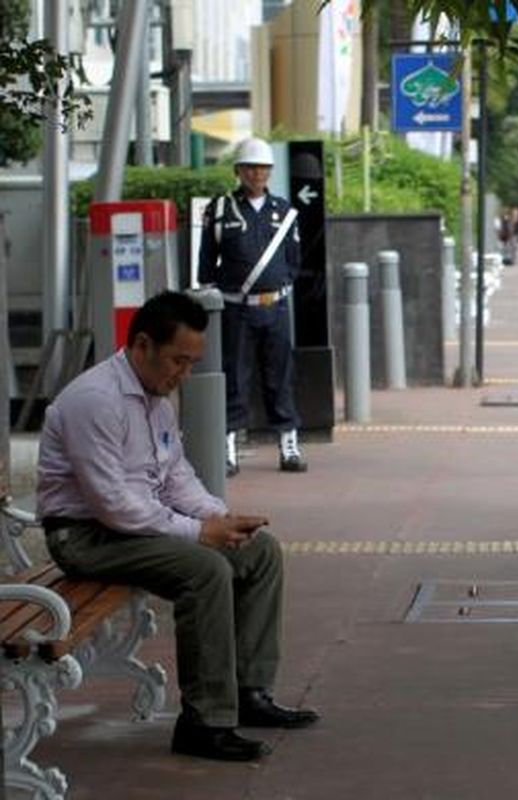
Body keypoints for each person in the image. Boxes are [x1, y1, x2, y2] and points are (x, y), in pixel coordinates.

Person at [36, 291, 319, 762]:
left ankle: (250, 691)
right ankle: (203, 722)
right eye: (177, 361)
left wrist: (217, 519)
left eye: (191, 363)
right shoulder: (95, 400)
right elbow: (112, 505)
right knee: (205, 570)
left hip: (126, 527)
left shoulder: (156, 400)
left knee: (260, 552)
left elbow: (175, 477)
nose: (183, 374)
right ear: (142, 345)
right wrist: (197, 534)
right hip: (83, 536)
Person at [198, 136, 306, 478]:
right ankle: (228, 447)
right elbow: (205, 264)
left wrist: (278, 285)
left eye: (262, 168)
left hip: (275, 307)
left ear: (270, 172)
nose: (256, 174)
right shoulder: (219, 211)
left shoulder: (285, 213)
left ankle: (289, 445)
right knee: (234, 378)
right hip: (236, 309)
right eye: (249, 168)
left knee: (280, 377)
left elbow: (294, 261)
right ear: (238, 171)